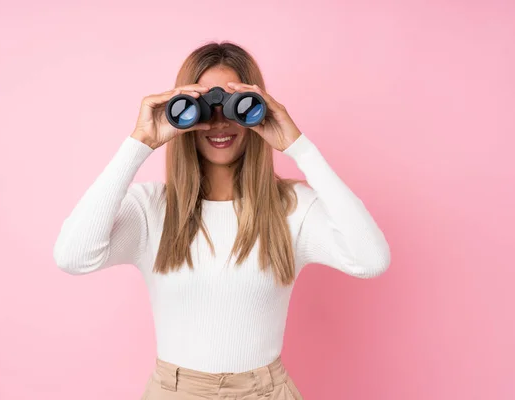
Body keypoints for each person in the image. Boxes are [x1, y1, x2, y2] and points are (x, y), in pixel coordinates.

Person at [53, 41, 391, 400]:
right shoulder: (152, 209)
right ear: (180, 113)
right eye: (201, 109)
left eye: (234, 106)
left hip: (265, 391)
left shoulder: (292, 208)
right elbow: (73, 256)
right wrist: (140, 142)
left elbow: (370, 260)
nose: (218, 123)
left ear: (257, 110)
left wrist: (298, 146)